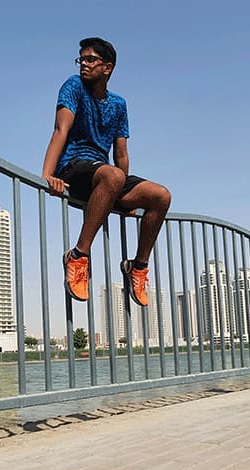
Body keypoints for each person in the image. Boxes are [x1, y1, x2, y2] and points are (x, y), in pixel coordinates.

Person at [42, 37, 171, 307]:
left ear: (107, 68)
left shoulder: (119, 104)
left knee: (161, 196)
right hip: (74, 166)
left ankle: (137, 267)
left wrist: (122, 193)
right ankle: (78, 255)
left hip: (104, 175)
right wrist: (47, 175)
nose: (83, 65)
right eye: (81, 59)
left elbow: (121, 153)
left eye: (90, 60)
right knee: (111, 175)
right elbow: (60, 130)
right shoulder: (74, 86)